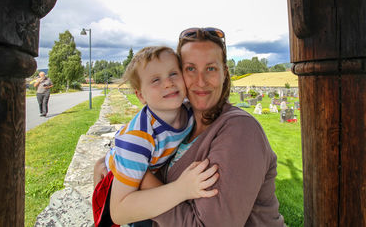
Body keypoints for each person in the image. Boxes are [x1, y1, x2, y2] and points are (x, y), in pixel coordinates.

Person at [95, 28, 285, 226]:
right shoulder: (181, 118)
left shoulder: (241, 131)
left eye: (211, 68)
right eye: (190, 69)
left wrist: (141, 177)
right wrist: (114, 159)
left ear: (224, 73)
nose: (200, 81)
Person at [92, 46, 219, 227]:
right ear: (140, 95)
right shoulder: (139, 138)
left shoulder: (189, 108)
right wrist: (181, 190)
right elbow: (119, 213)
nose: (167, 83)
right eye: (155, 80)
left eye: (173, 74)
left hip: (146, 171)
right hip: (123, 180)